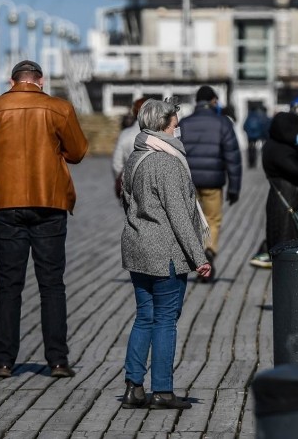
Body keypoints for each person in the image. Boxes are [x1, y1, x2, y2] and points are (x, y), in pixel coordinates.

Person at [0, 59, 89, 380]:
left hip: (7, 203)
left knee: (9, 284)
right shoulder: (59, 108)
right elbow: (78, 152)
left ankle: (3, 362)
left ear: (12, 82)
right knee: (52, 284)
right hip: (49, 203)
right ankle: (57, 361)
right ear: (41, 81)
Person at [120, 99, 211, 410]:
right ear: (163, 124)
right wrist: (200, 257)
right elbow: (180, 216)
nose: (178, 125)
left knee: (144, 317)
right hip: (165, 253)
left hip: (137, 247)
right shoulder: (168, 163)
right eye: (174, 121)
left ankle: (134, 386)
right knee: (165, 320)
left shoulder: (136, 156)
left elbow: (127, 201)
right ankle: (162, 390)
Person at [178, 85, 242, 282]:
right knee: (212, 220)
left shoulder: (184, 123)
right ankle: (209, 251)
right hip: (213, 182)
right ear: (213, 101)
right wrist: (234, 187)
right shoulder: (223, 123)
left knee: (193, 221)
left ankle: (198, 257)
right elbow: (233, 157)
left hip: (188, 182)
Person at [250, 112, 298, 268]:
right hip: (286, 207)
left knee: (291, 246)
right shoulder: (277, 150)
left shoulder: (277, 145)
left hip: (287, 204)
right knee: (288, 249)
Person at [112, 97, 149, 200]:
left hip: (130, 185)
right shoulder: (160, 134)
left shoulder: (125, 134)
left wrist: (120, 179)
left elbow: (117, 164)